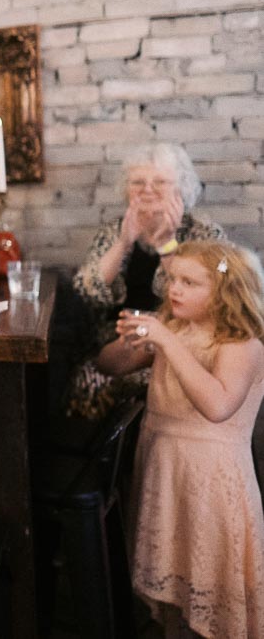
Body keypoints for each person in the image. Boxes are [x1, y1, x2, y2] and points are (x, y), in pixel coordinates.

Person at [97, 240, 264, 638]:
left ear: (225, 291)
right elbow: (109, 366)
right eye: (173, 279)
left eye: (190, 283)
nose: (174, 290)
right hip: (166, 468)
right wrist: (129, 342)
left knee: (207, 571)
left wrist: (166, 342)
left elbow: (218, 405)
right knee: (173, 577)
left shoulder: (241, 343)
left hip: (211, 482)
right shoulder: (175, 327)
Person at [67, 143, 226, 420]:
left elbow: (208, 299)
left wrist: (166, 244)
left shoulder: (204, 233)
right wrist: (123, 243)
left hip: (180, 349)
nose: (147, 189)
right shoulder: (115, 229)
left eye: (160, 181)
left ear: (182, 187)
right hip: (116, 344)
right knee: (85, 378)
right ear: (126, 189)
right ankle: (104, 460)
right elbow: (86, 292)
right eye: (138, 182)